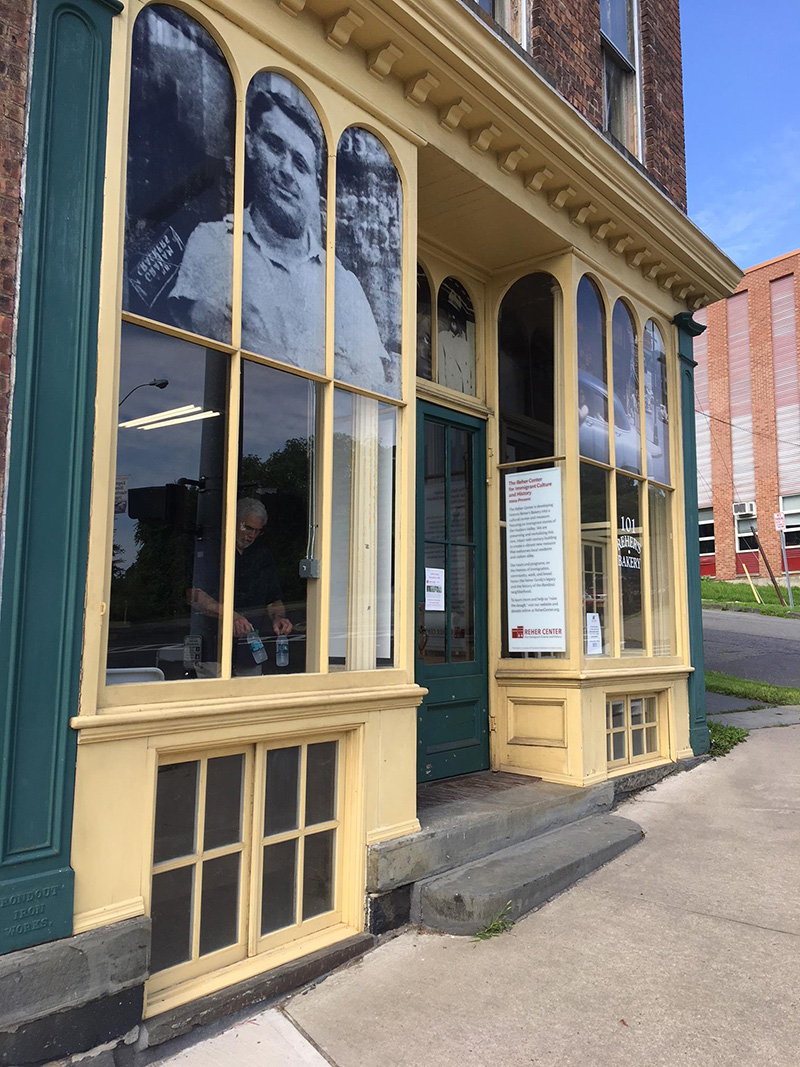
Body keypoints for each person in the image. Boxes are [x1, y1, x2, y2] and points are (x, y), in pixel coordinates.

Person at [169, 77, 393, 395]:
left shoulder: (344, 285)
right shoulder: (216, 243)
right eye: (275, 146)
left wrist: (251, 338)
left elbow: (372, 386)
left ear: (317, 190)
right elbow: (209, 332)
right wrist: (332, 365)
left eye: (300, 164)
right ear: (251, 144)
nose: (286, 170)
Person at [188, 498, 292, 676]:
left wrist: (279, 618)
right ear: (234, 521)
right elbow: (195, 595)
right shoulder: (210, 549)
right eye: (248, 528)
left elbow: (274, 599)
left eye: (257, 531)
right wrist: (232, 616)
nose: (251, 535)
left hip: (251, 648)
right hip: (213, 647)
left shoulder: (263, 555)